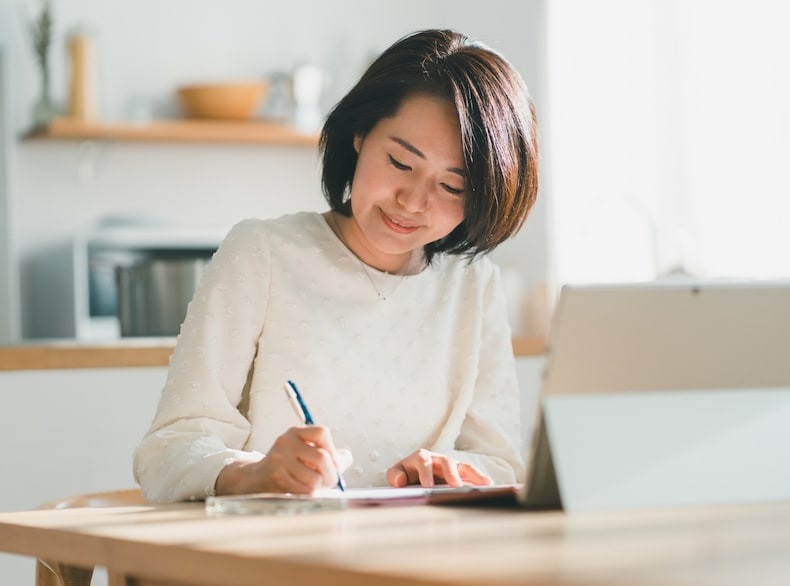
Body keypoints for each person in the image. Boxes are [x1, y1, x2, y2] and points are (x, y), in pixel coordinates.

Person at [133, 28, 539, 503]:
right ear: (360, 133)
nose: (413, 202)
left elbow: (501, 463)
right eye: (400, 163)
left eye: (451, 187)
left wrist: (458, 471)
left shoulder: (474, 287)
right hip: (277, 560)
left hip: (419, 563)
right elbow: (168, 448)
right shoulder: (262, 253)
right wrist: (254, 473)